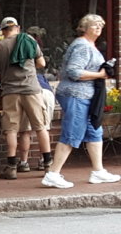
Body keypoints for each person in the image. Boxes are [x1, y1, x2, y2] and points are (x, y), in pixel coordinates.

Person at [41, 14, 121, 189]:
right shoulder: (82, 46)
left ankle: (98, 171)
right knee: (72, 133)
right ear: (84, 28)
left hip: (86, 96)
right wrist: (100, 74)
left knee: (95, 132)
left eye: (100, 25)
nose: (98, 27)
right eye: (94, 24)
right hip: (76, 95)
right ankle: (52, 174)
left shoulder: (90, 45)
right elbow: (74, 72)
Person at [0, 17, 53, 179]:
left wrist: (6, 72)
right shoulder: (29, 40)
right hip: (32, 90)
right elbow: (42, 63)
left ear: (3, 31)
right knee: (40, 126)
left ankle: (11, 167)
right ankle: (48, 165)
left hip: (10, 92)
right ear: (18, 27)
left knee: (11, 129)